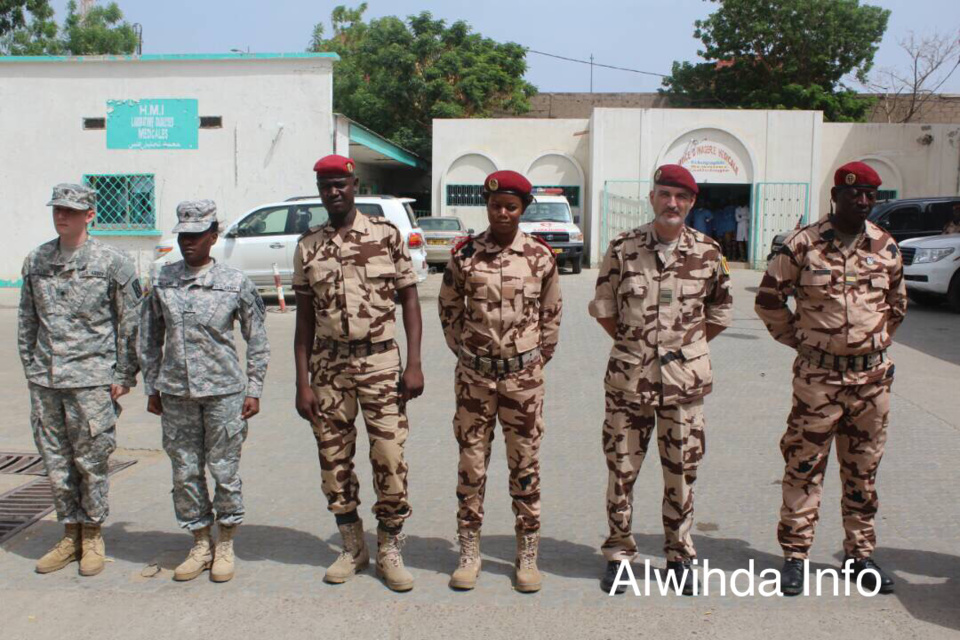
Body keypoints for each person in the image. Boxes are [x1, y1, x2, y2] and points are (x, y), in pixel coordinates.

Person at [755, 161, 907, 596]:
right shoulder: (802, 246)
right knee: (804, 467)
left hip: (871, 382)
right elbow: (768, 301)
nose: (862, 202)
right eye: (853, 194)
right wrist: (803, 344)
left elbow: (896, 306)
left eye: (870, 196)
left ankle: (860, 556)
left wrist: (870, 346)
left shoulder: (886, 247)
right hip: (817, 382)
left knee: (863, 470)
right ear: (836, 195)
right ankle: (795, 556)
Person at [589, 165, 732, 596]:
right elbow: (604, 308)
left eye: (682, 197)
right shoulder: (622, 248)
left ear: (692, 203)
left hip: (684, 387)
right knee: (622, 471)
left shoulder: (709, 252)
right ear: (652, 197)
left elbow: (720, 313)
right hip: (629, 383)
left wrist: (681, 350)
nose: (673, 203)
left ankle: (679, 556)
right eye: (666, 194)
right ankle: (619, 554)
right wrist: (640, 346)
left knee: (682, 474)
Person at [292, 154, 424, 592]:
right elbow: (304, 319)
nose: (333, 192)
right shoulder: (309, 245)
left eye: (340, 184)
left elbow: (409, 300)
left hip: (381, 362)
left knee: (389, 456)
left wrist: (415, 363)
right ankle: (353, 546)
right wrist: (302, 382)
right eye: (325, 185)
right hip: (328, 367)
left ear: (354, 183)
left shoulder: (386, 236)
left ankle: (388, 548)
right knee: (334, 460)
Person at [438, 171, 562, 593]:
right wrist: (467, 352)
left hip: (523, 380)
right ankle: (469, 551)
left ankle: (527, 553)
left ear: (523, 209)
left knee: (524, 463)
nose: (503, 213)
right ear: (487, 208)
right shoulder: (465, 255)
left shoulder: (540, 257)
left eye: (511, 206)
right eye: (496, 206)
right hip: (474, 378)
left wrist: (534, 358)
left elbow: (551, 314)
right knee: (471, 464)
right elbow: (449, 307)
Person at [139, 200, 269, 583]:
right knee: (185, 471)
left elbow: (257, 338)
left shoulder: (234, 283)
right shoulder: (162, 280)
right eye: (183, 235)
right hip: (176, 394)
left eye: (197, 235)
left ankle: (225, 542)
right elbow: (149, 336)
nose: (188, 243)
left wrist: (254, 388)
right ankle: (199, 542)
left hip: (224, 394)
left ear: (214, 236)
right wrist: (152, 385)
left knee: (224, 470)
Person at [18, 183, 142, 576]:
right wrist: (32, 369)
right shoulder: (37, 260)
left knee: (91, 460)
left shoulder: (112, 262)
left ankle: (92, 535)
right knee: (55, 461)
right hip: (46, 380)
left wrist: (124, 373)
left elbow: (131, 321)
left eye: (70, 211)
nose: (61, 216)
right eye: (57, 209)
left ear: (90, 214)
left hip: (92, 380)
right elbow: (27, 320)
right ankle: (68, 533)